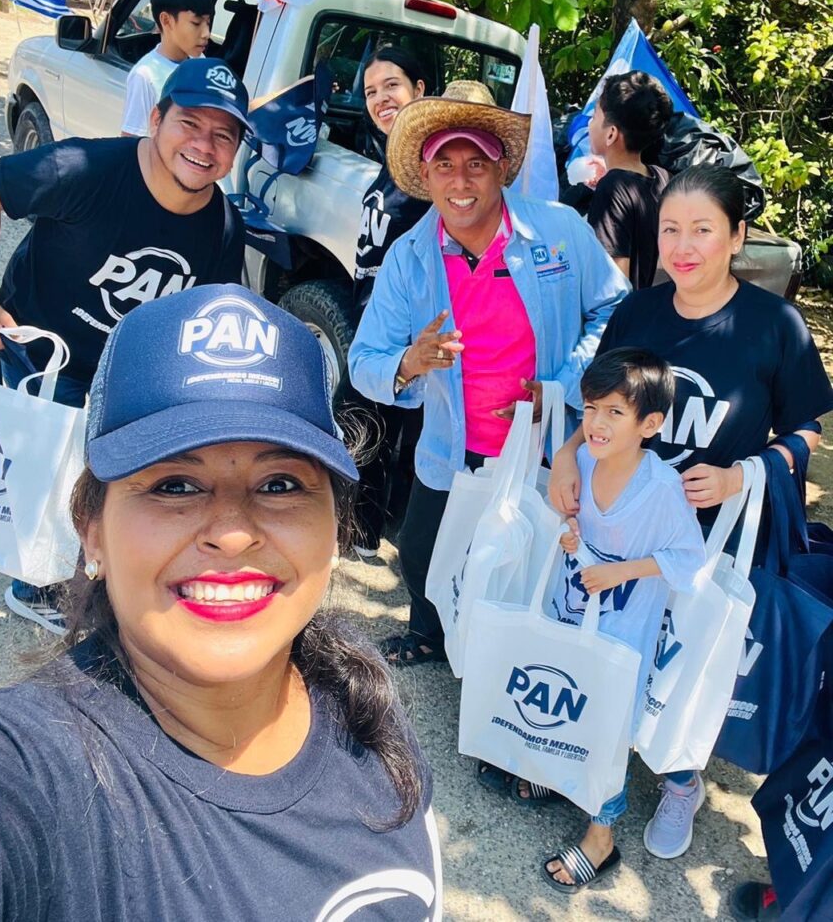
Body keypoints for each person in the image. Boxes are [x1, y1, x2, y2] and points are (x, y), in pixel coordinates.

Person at [0, 285, 444, 921]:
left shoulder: (356, 693)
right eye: (175, 486)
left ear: (336, 525)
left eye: (279, 484)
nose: (232, 533)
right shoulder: (31, 775)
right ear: (91, 530)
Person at [549, 164, 833, 861]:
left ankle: (681, 781)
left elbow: (807, 430)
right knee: (618, 649)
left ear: (736, 236)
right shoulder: (638, 313)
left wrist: (743, 474)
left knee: (683, 666)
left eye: (702, 229)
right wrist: (565, 455)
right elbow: (599, 403)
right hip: (625, 526)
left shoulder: (774, 325)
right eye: (670, 229)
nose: (683, 246)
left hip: (712, 539)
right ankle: (590, 756)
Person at [0, 56, 249, 634]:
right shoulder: (84, 169)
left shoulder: (223, 227)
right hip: (41, 347)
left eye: (223, 135)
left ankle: (90, 572)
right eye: (190, 123)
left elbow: (201, 317)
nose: (203, 145)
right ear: (156, 119)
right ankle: (36, 587)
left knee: (115, 475)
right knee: (47, 474)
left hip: (123, 367)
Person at [348, 80, 629, 666]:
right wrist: (409, 362)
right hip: (452, 447)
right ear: (425, 177)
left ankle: (514, 665)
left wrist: (562, 385)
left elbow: (614, 309)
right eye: (444, 165)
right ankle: (430, 633)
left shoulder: (559, 230)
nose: (461, 181)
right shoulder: (409, 257)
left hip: (545, 447)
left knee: (533, 565)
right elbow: (363, 362)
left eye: (476, 163)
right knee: (422, 556)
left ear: (501, 169)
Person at [501, 349, 706, 892]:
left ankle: (601, 836)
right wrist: (574, 539)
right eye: (591, 408)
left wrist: (622, 572)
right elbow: (582, 531)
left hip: (624, 635)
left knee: (608, 728)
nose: (596, 422)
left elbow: (689, 559)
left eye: (615, 412)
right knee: (565, 699)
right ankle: (559, 777)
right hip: (575, 615)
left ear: (650, 424)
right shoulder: (585, 463)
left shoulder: (661, 489)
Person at [338, 46, 429, 558]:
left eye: (391, 85)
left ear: (419, 90)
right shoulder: (391, 162)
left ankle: (370, 537)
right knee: (368, 428)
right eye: (371, 91)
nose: (380, 99)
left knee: (371, 427)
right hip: (369, 321)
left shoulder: (427, 170)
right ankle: (363, 535)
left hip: (402, 333)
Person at [585, 71, 674, 290]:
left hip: (625, 310)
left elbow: (613, 284)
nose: (589, 123)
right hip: (651, 306)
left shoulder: (613, 188)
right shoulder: (661, 177)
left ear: (611, 133)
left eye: (594, 116)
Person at [120, 0, 213, 138]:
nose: (206, 33)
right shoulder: (145, 76)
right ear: (166, 20)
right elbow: (130, 142)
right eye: (196, 23)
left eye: (208, 23)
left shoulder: (200, 62)